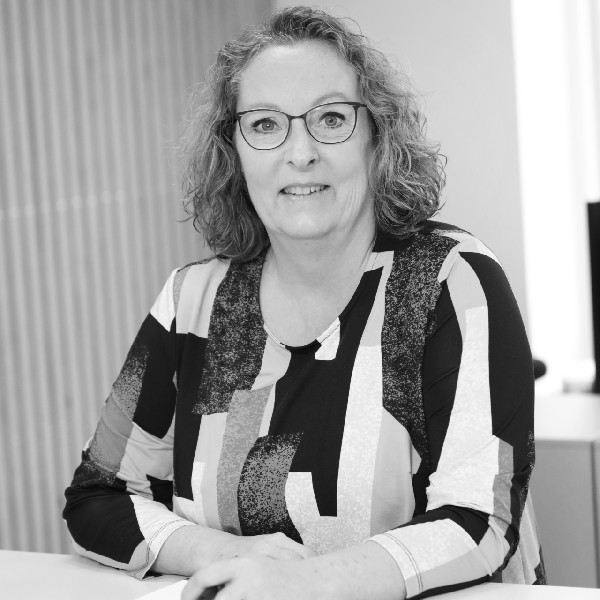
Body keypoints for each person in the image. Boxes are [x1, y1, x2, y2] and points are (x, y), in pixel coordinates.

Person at [63, 6, 545, 599]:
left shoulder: (451, 281)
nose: (300, 152)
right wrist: (231, 556)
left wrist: (305, 581)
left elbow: (481, 520)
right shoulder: (192, 302)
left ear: (377, 137)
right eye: (265, 124)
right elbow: (98, 495)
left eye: (331, 118)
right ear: (233, 151)